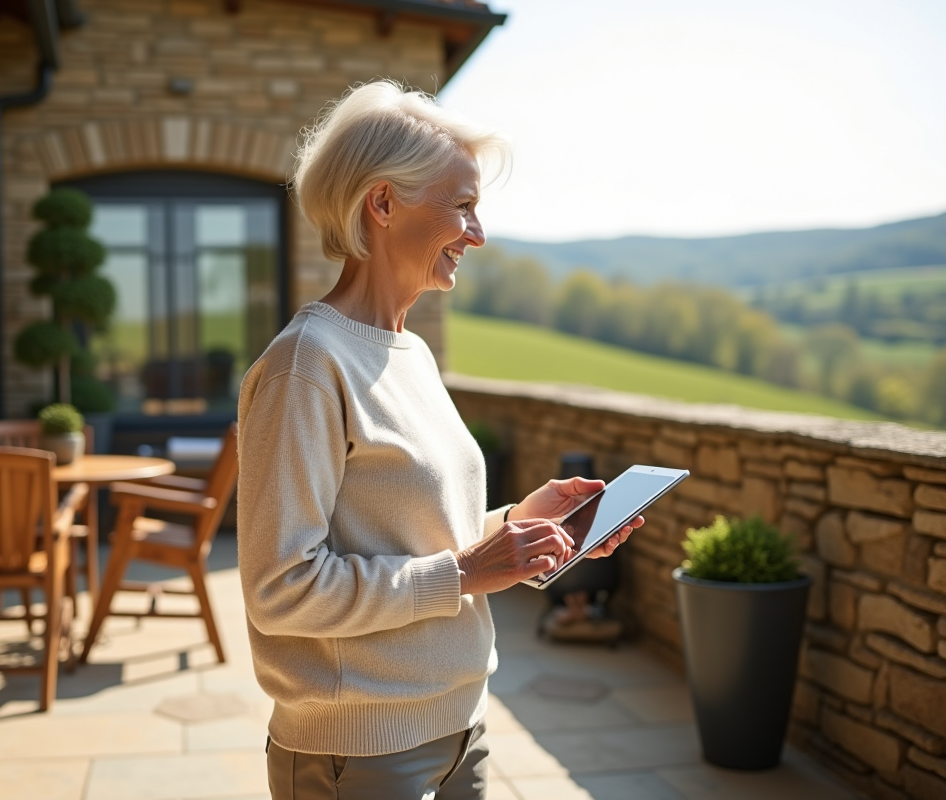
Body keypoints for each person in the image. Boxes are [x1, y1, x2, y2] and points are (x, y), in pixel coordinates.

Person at [237, 81, 642, 799]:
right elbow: (281, 589)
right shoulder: (306, 365)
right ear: (383, 204)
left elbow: (418, 540)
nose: (478, 234)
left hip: (463, 732)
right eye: (461, 206)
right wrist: (464, 572)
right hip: (359, 755)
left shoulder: (411, 353)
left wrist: (521, 527)